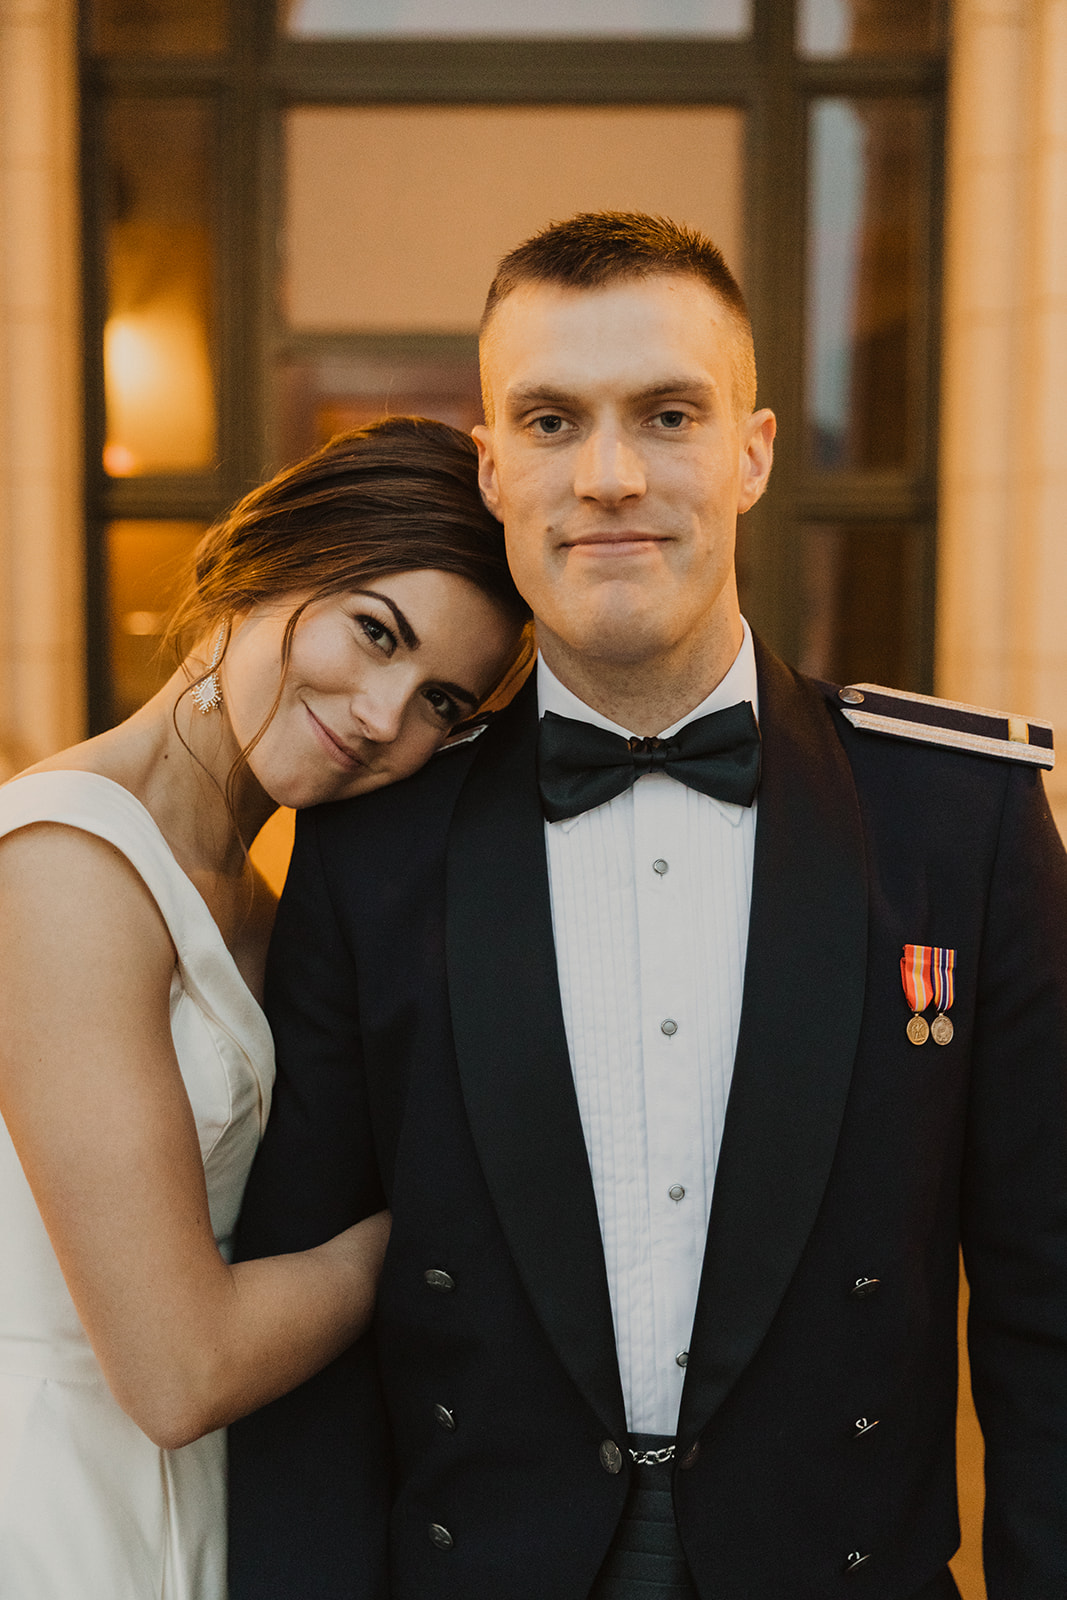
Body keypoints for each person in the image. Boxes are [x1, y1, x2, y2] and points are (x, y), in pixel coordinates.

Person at [228, 214, 1067, 1600]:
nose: (607, 475)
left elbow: (1047, 1308)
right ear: (491, 468)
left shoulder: (958, 821)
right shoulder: (370, 844)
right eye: (549, 420)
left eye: (666, 415)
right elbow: (302, 1333)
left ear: (750, 452)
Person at [0, 415, 529, 1600]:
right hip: (55, 1512)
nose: (385, 715)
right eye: (375, 631)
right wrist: (444, 1217)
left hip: (202, 1506)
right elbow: (177, 1367)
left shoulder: (265, 899)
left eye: (442, 702)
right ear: (270, 557)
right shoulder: (65, 865)